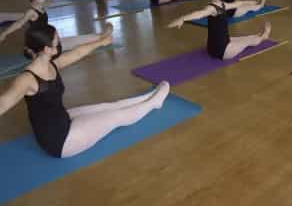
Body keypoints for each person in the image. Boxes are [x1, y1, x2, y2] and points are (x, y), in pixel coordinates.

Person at [0, 23, 170, 158]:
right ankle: (155, 102)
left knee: (107, 106)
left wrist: (101, 42)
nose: (60, 43)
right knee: (116, 117)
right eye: (56, 41)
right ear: (46, 49)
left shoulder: (51, 64)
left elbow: (77, 52)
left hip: (61, 119)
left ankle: (148, 96)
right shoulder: (27, 79)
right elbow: (3, 103)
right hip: (59, 141)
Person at [168, 0, 271, 60]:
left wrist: (255, 2)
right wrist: (182, 19)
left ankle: (259, 35)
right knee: (249, 41)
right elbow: (199, 14)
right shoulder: (212, 8)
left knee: (246, 37)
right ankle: (263, 36)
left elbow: (239, 3)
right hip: (222, 51)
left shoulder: (222, 4)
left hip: (215, 46)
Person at [0, 0, 109, 50]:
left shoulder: (40, 7)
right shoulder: (31, 12)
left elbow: (44, 7)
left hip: (46, 38)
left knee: (72, 40)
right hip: (42, 44)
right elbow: (18, 24)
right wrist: (4, 34)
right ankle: (101, 36)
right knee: (75, 42)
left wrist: (50, 2)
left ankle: (99, 35)